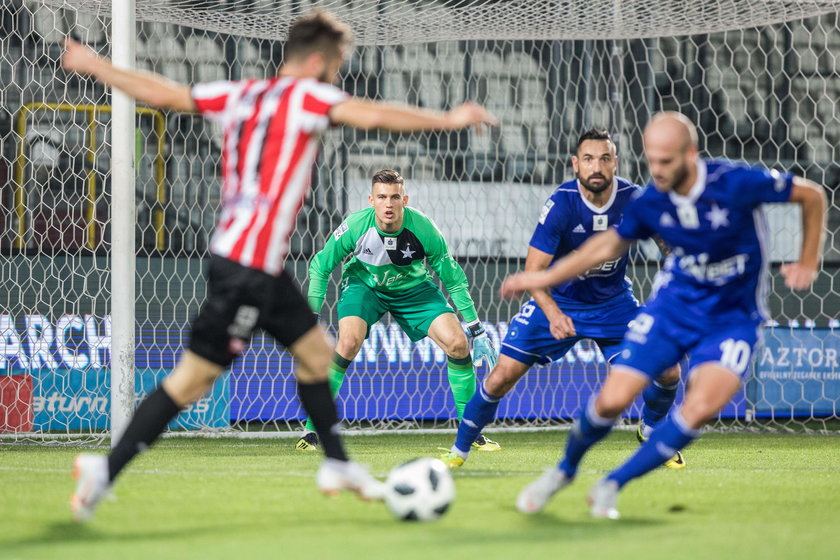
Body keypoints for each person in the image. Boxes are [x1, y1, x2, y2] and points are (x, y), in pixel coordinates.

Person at [62, 10, 497, 522]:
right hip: (249, 267)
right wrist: (447, 120)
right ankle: (105, 470)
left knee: (318, 355)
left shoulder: (241, 94)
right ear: (316, 61)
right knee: (193, 380)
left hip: (249, 263)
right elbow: (373, 115)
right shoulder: (308, 97)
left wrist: (97, 66)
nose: (335, 76)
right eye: (335, 66)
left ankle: (336, 463)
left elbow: (162, 94)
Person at [501, 112, 826, 518]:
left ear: (691, 154)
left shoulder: (735, 182)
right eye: (651, 159)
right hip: (672, 309)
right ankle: (563, 471)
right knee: (612, 400)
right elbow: (601, 249)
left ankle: (612, 484)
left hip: (733, 318)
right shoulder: (650, 201)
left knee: (701, 407)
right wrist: (541, 277)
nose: (657, 170)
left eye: (666, 161)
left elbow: (811, 195)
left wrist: (809, 259)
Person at [440, 128, 682, 469]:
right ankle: (460, 451)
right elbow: (534, 272)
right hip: (558, 301)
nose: (595, 166)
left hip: (614, 305)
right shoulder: (562, 204)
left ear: (616, 162)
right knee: (500, 376)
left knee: (668, 370)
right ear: (575, 164)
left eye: (603, 158)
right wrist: (553, 314)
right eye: (588, 159)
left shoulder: (635, 200)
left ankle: (652, 430)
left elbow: (670, 245)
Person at [296, 169, 499, 452]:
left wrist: (475, 327)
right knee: (348, 341)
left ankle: (471, 432)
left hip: (414, 290)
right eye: (381, 197)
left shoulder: (424, 228)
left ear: (404, 199)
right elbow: (320, 265)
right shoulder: (356, 225)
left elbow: (453, 278)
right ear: (371, 200)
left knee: (457, 344)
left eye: (394, 197)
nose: (388, 204)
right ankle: (311, 430)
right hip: (365, 286)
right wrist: (312, 319)